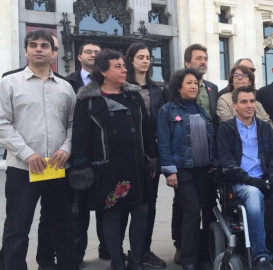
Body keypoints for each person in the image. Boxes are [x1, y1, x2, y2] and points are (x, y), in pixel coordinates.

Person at [69, 49, 158, 270]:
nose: (124, 69)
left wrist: (153, 158)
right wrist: (82, 168)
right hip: (107, 168)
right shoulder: (88, 100)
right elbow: (79, 137)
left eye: (123, 65)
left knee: (142, 211)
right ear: (103, 71)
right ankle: (117, 261)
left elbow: (146, 130)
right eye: (117, 66)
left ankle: (136, 260)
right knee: (112, 214)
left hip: (137, 166)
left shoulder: (133, 95)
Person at [0, 29, 78, 270]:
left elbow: (74, 124)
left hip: (56, 168)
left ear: (54, 53)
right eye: (33, 45)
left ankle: (59, 265)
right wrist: (28, 153)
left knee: (61, 224)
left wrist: (67, 148)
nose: (38, 49)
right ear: (26, 51)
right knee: (17, 227)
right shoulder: (9, 83)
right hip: (23, 168)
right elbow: (2, 122)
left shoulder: (66, 87)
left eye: (45, 46)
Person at [217, 86, 273, 270]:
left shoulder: (265, 128)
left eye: (252, 101)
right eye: (244, 102)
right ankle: (261, 256)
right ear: (234, 105)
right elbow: (226, 161)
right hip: (243, 182)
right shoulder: (226, 129)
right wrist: (249, 180)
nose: (249, 105)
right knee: (253, 195)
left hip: (266, 178)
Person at [157, 68, 217, 270]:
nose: (194, 86)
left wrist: (214, 163)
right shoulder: (167, 110)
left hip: (204, 170)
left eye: (195, 83)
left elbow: (211, 139)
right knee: (192, 210)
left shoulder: (201, 110)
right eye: (189, 82)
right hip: (182, 170)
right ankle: (188, 259)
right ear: (178, 86)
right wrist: (169, 170)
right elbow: (163, 143)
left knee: (200, 209)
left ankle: (203, 253)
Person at [170, 44, 219, 264]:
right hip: (183, 162)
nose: (204, 62)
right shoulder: (171, 99)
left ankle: (209, 248)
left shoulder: (212, 88)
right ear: (187, 62)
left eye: (206, 58)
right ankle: (182, 247)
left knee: (208, 205)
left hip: (206, 160)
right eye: (199, 58)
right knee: (185, 207)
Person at [65, 41, 111, 265]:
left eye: (97, 53)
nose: (93, 55)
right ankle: (76, 256)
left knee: (107, 207)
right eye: (89, 52)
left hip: (104, 155)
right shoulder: (67, 83)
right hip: (78, 156)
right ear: (79, 56)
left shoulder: (109, 83)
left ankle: (108, 249)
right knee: (78, 212)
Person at [125, 42, 167, 268]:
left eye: (148, 57)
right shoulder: (123, 87)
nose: (145, 61)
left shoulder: (157, 90)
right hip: (127, 154)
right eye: (140, 57)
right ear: (131, 60)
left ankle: (144, 250)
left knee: (150, 204)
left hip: (151, 155)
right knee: (124, 205)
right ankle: (118, 252)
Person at [216, 65, 273, 129]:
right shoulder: (224, 100)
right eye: (236, 75)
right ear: (232, 81)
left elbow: (270, 126)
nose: (240, 78)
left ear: (250, 82)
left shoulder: (257, 104)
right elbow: (228, 124)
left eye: (243, 75)